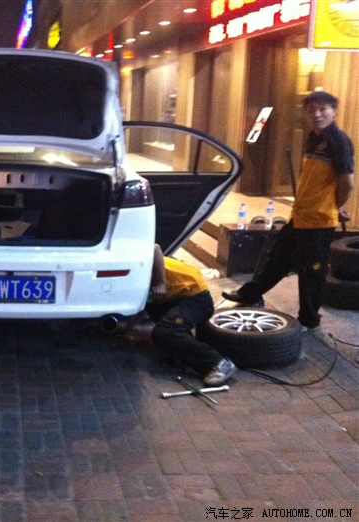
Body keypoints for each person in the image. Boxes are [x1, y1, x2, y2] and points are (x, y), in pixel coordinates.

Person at [223, 91, 355, 331]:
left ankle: (309, 320)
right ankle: (250, 294)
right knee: (278, 258)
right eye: (311, 109)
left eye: (323, 109)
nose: (316, 114)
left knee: (311, 271)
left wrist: (336, 206)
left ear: (334, 111)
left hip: (319, 221)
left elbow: (347, 181)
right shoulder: (314, 138)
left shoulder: (338, 141)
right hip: (301, 215)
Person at [146, 244, 236, 386]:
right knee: (155, 310)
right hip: (176, 297)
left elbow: (155, 248)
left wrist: (161, 283)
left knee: (165, 331)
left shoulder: (134, 255)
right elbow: (144, 302)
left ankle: (219, 363)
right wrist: (128, 327)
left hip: (196, 298)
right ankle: (181, 353)